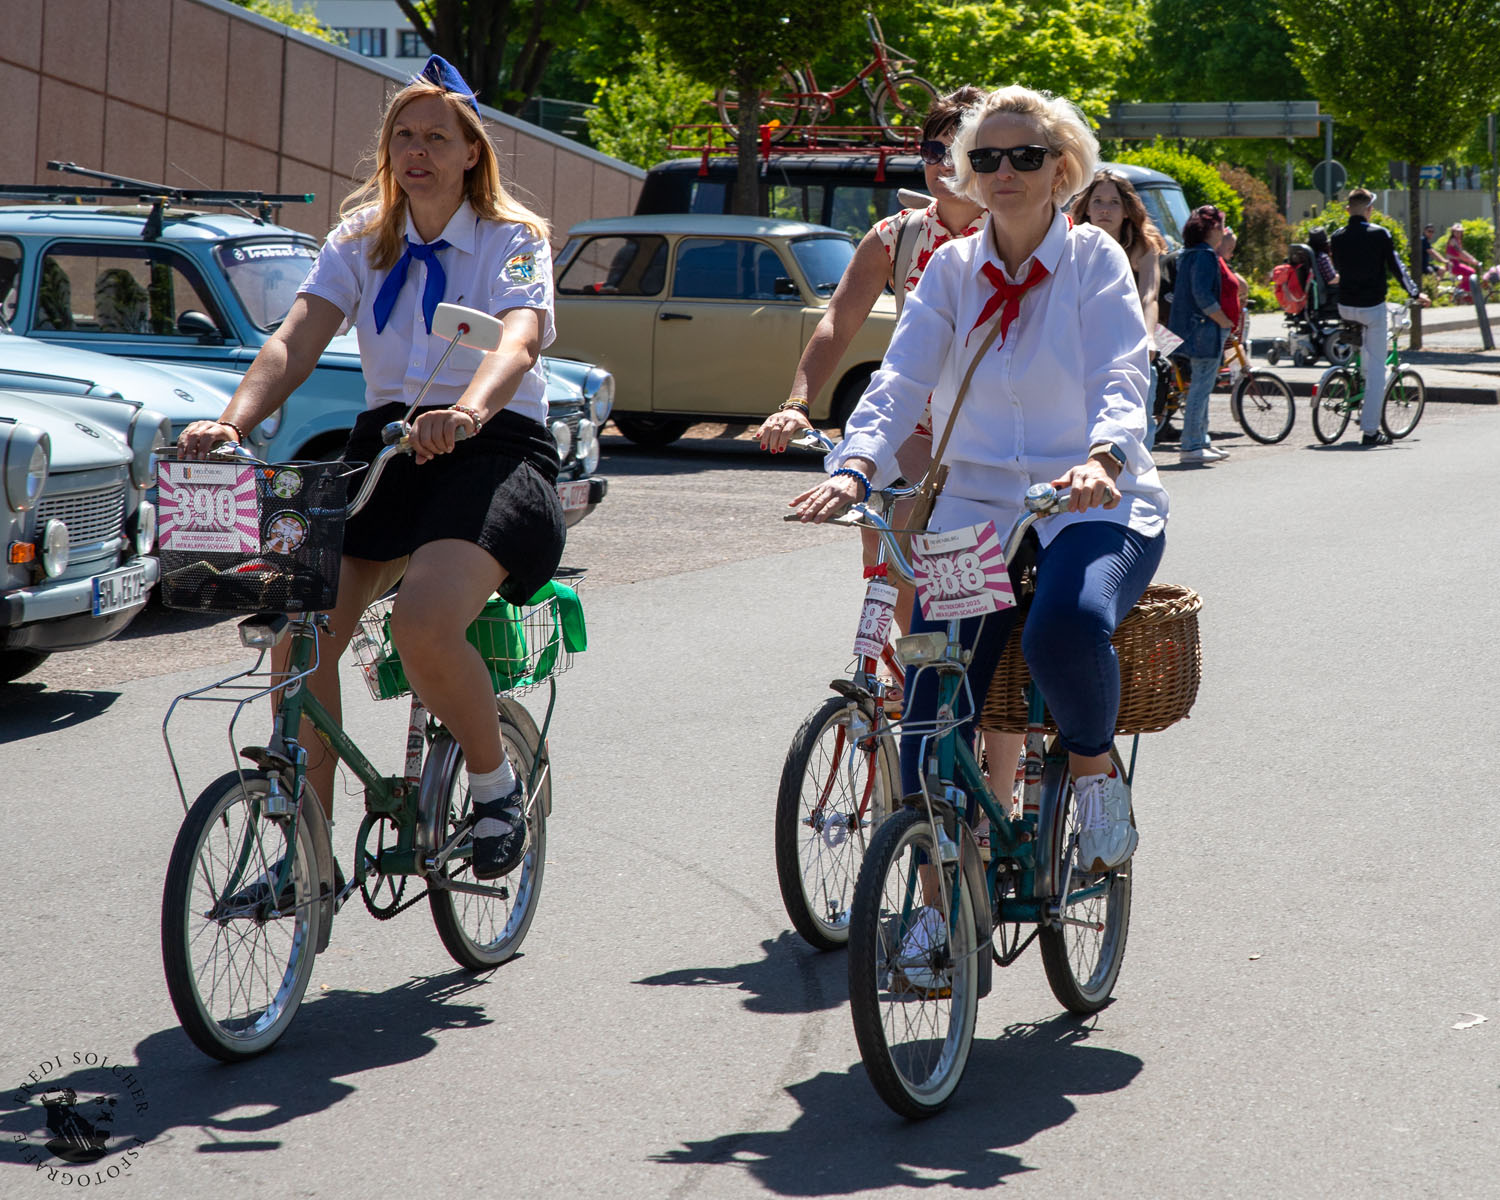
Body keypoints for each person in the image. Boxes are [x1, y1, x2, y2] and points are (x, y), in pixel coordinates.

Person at [176, 56, 565, 880]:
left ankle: (494, 788)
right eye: (403, 136)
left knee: (423, 622)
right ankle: (305, 853)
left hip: (492, 446)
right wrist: (230, 422)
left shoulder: (513, 237)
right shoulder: (358, 239)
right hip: (389, 445)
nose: (416, 150)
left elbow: (519, 340)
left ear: (472, 152)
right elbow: (294, 339)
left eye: (437, 138)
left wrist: (468, 412)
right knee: (298, 632)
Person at [791, 85, 1168, 890]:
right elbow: (900, 381)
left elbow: (1120, 371)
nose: (1004, 171)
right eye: (986, 157)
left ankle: (1095, 778)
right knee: (930, 710)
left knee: (1063, 629)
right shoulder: (952, 269)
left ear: (1061, 169)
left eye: (1025, 156)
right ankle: (936, 912)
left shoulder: (1094, 258)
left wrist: (1105, 458)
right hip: (977, 505)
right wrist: (856, 466)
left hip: (1091, 500)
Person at [758, 85, 986, 649]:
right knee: (886, 541)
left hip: (989, 424)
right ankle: (918, 673)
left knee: (963, 576)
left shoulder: (1010, 234)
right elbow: (837, 322)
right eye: (932, 151)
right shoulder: (898, 235)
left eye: (957, 152)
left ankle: (968, 679)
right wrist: (796, 404)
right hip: (912, 417)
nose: (943, 165)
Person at [1070, 170, 1169, 448]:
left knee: (1138, 419)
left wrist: (1148, 337)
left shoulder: (1143, 246)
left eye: (1114, 202)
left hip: (1127, 341)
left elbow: (1149, 295)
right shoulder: (1071, 242)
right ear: (1086, 208)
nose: (1105, 209)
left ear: (1127, 211)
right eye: (1098, 201)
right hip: (1081, 343)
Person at [1328, 188, 1426, 446]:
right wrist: (1415, 293)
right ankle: (1370, 430)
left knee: (1364, 354)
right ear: (1369, 210)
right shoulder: (1380, 234)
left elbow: (1338, 267)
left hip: (1345, 306)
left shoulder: (1337, 236)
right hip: (1371, 307)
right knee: (1377, 371)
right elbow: (1396, 267)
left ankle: (1355, 380)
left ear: (1348, 209)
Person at [1166, 205, 1235, 463]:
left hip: (1186, 330)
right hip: (1204, 332)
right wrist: (1224, 321)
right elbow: (1203, 296)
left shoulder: (1188, 253)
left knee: (1199, 388)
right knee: (1200, 391)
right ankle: (1192, 445)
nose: (1224, 232)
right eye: (1222, 226)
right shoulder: (1205, 255)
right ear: (1213, 228)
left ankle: (1201, 441)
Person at [1445, 222, 1479, 298]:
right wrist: (1472, 260)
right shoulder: (1453, 241)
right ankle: (1465, 293)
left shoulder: (1458, 241)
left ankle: (1461, 292)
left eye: (1460, 232)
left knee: (1469, 273)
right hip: (1452, 264)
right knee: (1471, 272)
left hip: (1456, 263)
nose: (1458, 233)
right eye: (1456, 232)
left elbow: (1461, 255)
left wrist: (1472, 260)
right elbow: (1460, 252)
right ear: (1453, 232)